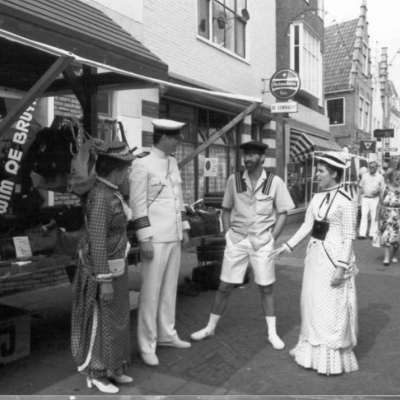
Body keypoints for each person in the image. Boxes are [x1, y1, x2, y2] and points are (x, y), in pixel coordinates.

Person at [190, 140, 295, 350]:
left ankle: (272, 333)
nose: (247, 158)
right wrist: (228, 235)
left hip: (262, 241)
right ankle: (210, 327)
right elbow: (226, 210)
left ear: (262, 158)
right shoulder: (235, 179)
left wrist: (272, 238)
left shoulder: (274, 182)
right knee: (224, 286)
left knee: (266, 288)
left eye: (252, 154)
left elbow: (283, 213)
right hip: (237, 240)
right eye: (246, 155)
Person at [274, 151, 359, 375]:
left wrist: (341, 267)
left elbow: (348, 236)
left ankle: (328, 357)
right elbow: (307, 226)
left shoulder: (347, 201)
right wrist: (287, 246)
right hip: (314, 258)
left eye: (321, 171)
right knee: (311, 303)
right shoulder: (316, 198)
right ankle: (309, 349)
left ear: (334, 173)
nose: (316, 175)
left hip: (333, 260)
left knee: (331, 307)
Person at [71, 141, 135, 394]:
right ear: (115, 170)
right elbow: (97, 241)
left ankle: (113, 366)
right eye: (126, 169)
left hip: (116, 266)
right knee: (102, 320)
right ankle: (96, 372)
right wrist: (104, 280)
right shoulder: (100, 196)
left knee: (117, 318)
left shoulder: (110, 191)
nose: (128, 173)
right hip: (102, 270)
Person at [129, 119, 191, 367]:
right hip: (154, 238)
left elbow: (178, 198)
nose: (178, 143)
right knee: (150, 293)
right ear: (165, 138)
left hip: (173, 235)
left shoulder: (172, 162)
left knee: (168, 290)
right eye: (175, 138)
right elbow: (137, 204)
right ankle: (147, 344)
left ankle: (167, 334)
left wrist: (184, 227)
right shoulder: (141, 163)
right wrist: (144, 238)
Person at [376, 168, 400, 266]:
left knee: (397, 238)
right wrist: (377, 217)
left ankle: (394, 255)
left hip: (398, 217)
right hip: (386, 216)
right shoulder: (385, 189)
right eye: (397, 177)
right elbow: (380, 203)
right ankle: (386, 257)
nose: (399, 179)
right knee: (386, 236)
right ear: (391, 178)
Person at [358, 161, 384, 239]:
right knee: (364, 216)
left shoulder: (380, 177)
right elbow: (361, 186)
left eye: (373, 167)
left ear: (376, 168)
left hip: (375, 199)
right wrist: (359, 197)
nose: (371, 168)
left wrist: (378, 191)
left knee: (374, 216)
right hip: (365, 198)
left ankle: (372, 234)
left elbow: (383, 188)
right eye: (370, 167)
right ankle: (362, 234)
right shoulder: (365, 175)